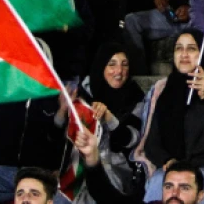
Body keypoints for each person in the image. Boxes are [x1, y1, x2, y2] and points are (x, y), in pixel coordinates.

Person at [133, 30, 204, 203]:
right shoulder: (162, 90)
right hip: (174, 171)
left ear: (202, 53)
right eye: (179, 48)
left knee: (193, 185)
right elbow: (152, 142)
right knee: (160, 182)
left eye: (191, 48)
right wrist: (168, 160)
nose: (184, 54)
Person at [60, 43, 144, 192]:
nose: (119, 71)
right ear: (101, 66)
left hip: (115, 166)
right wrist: (62, 111)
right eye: (112, 64)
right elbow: (58, 134)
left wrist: (110, 119)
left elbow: (133, 139)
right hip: (75, 163)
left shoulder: (135, 96)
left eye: (125, 64)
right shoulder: (81, 93)